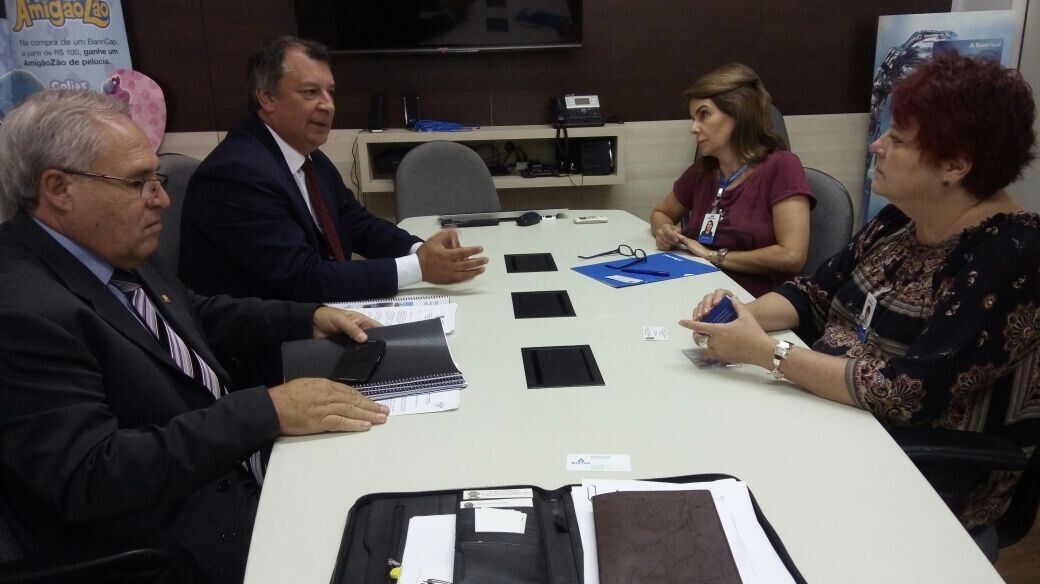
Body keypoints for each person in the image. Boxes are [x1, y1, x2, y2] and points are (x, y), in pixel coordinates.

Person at [0, 89, 392, 583]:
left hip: (230, 474)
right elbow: (92, 475)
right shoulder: (22, 311)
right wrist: (266, 411)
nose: (162, 199)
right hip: (178, 543)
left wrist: (307, 317)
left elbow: (193, 312)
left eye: (156, 180)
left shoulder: (103, 246)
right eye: (139, 183)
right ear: (59, 188)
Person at [680, 53, 1040, 530]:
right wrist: (739, 315)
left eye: (898, 139)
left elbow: (905, 392)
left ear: (955, 164)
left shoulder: (1010, 257)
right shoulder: (900, 220)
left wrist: (768, 353)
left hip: (916, 471)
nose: (877, 146)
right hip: (829, 414)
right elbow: (813, 294)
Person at [179, 36, 488, 303]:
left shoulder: (306, 156)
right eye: (310, 92)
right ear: (267, 97)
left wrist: (417, 249)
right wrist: (420, 268)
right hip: (270, 339)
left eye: (330, 92)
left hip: (315, 313)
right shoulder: (237, 174)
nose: (328, 105)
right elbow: (303, 278)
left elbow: (355, 222)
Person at [650, 63, 814, 297]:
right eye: (693, 118)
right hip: (695, 287)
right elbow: (661, 213)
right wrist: (665, 231)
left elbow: (792, 256)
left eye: (704, 115)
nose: (694, 128)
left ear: (738, 112)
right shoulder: (703, 170)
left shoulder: (782, 166)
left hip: (755, 300)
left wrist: (714, 256)